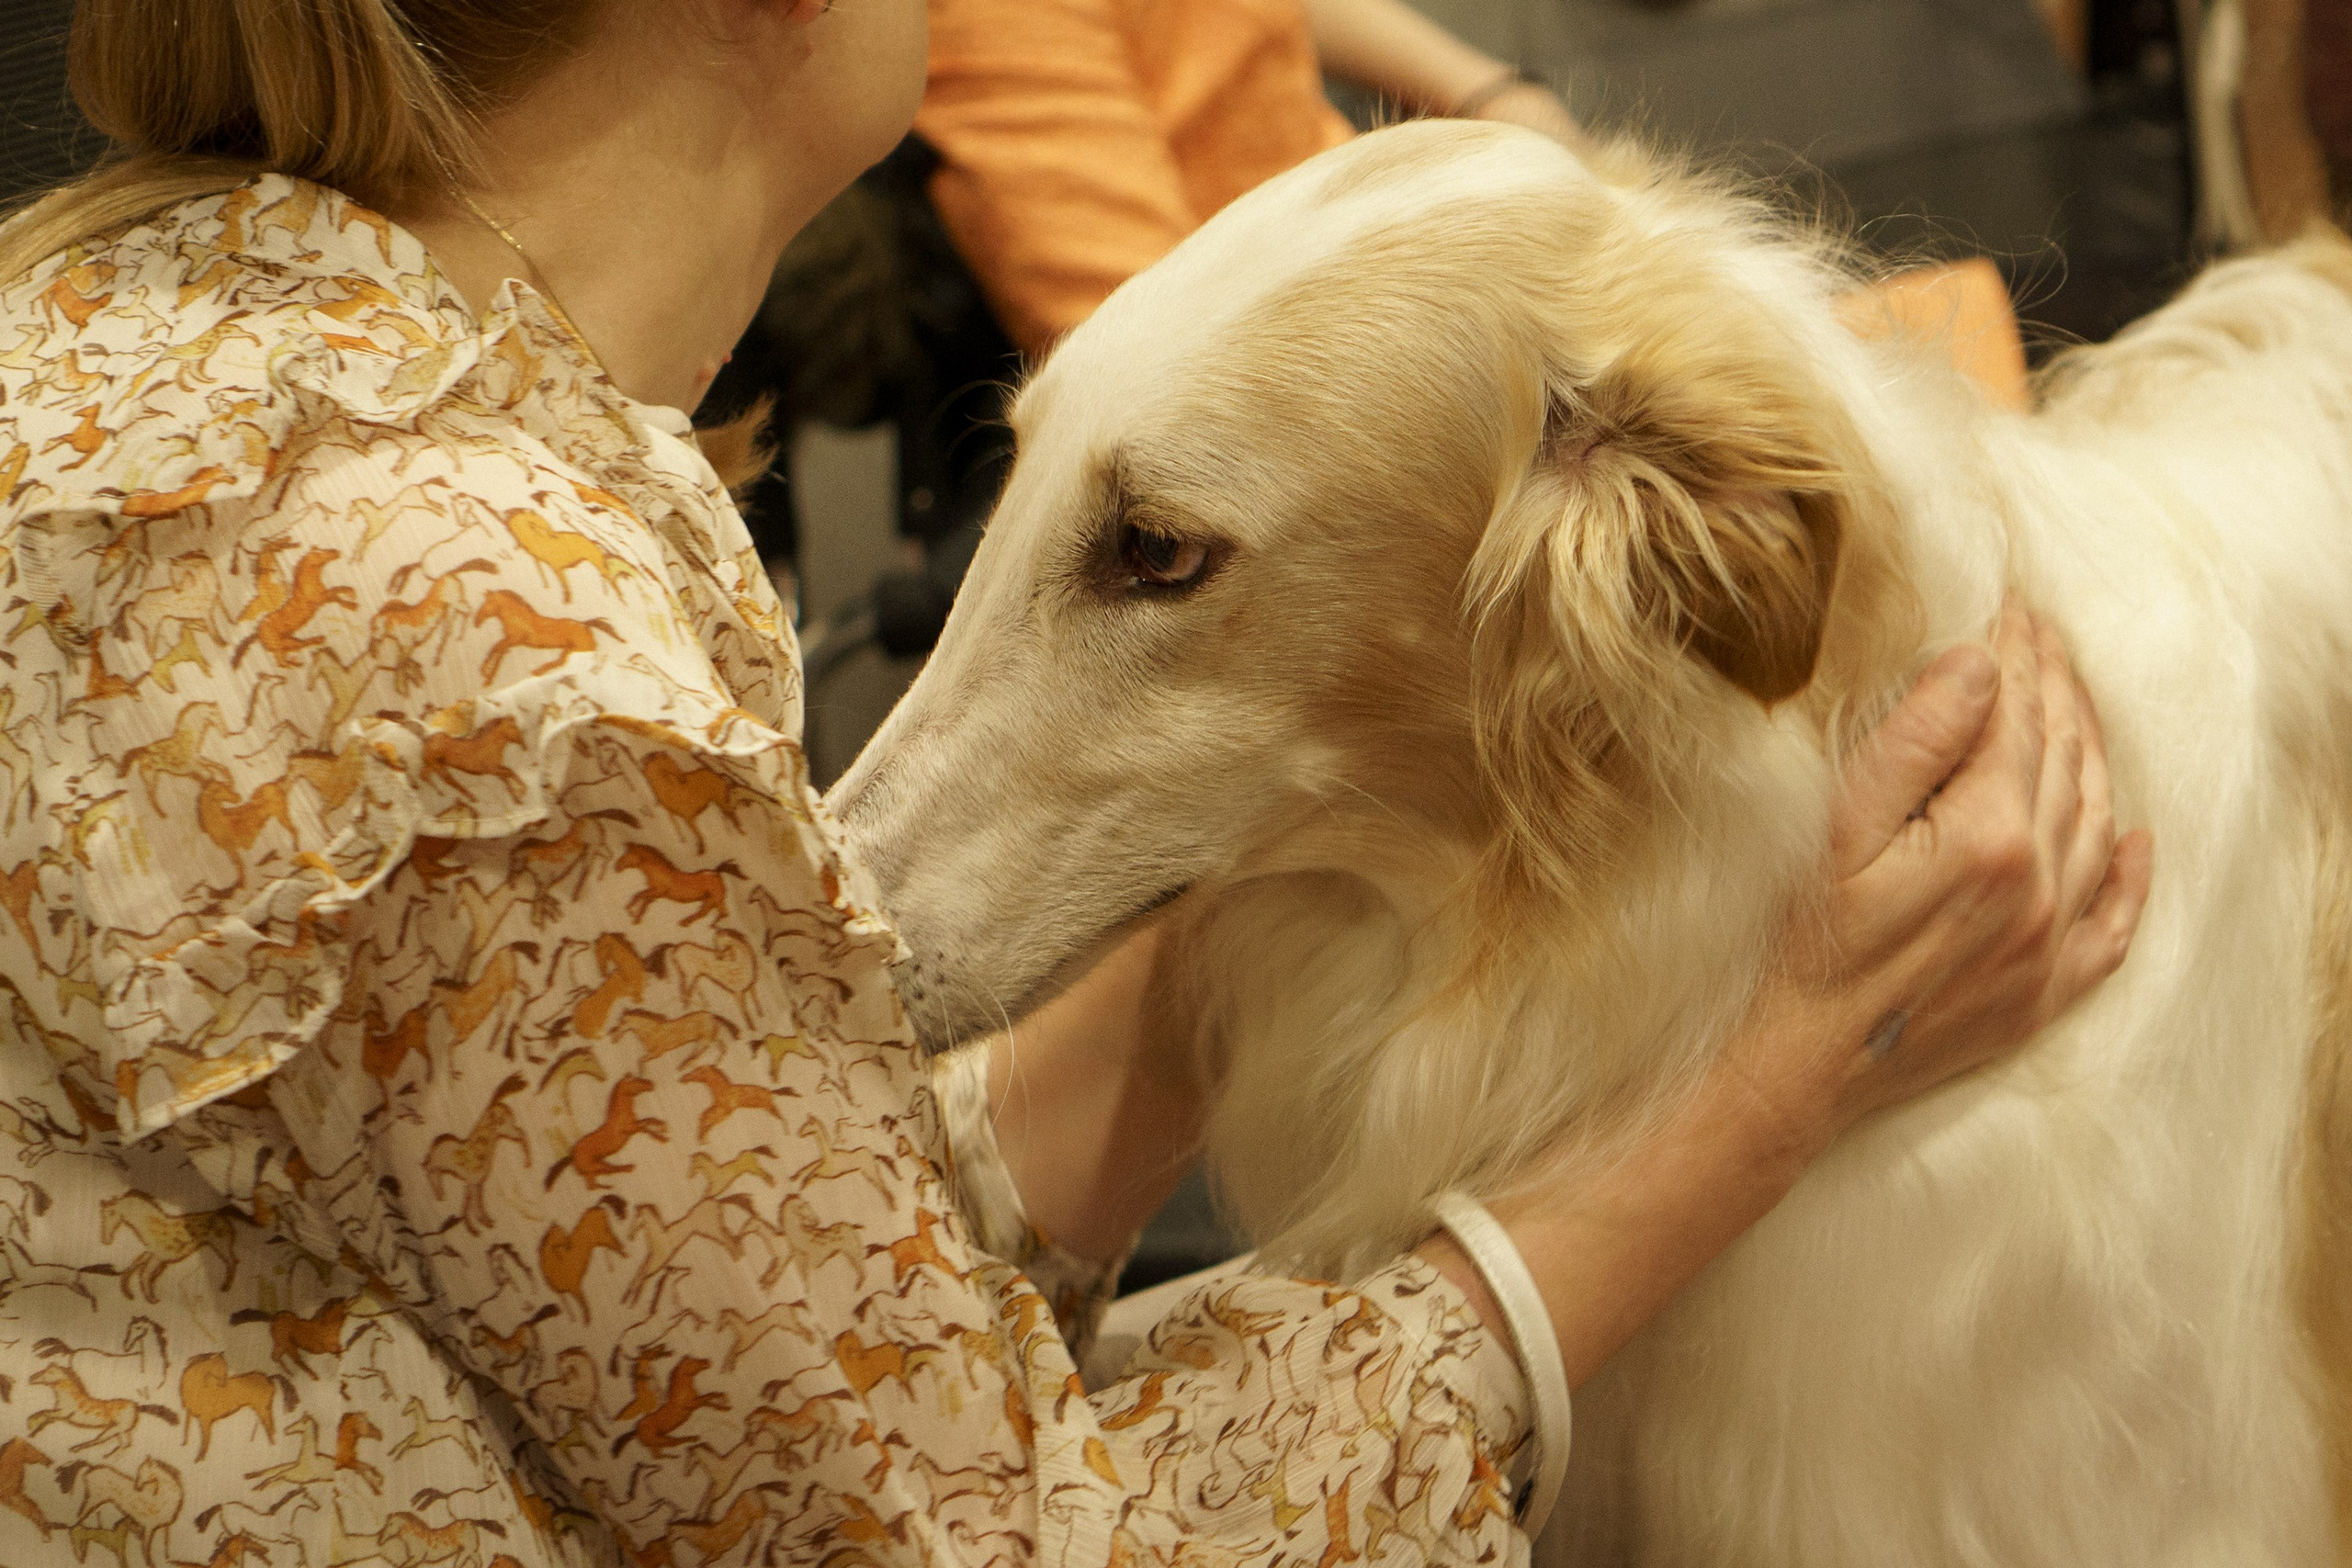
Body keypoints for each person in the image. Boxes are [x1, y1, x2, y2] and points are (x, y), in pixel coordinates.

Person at [0, 3, 2150, 1564]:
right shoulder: (500, 640)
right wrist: (1764, 1077)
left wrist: (1192, 950)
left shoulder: (145, 339)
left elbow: (682, 1290)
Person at [920, 0, 1585, 357]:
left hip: (1342, 246)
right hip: (1276, 367)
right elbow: (1144, 356)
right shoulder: (999, 18)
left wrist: (1483, 90)